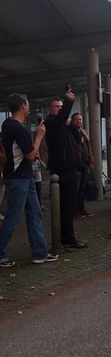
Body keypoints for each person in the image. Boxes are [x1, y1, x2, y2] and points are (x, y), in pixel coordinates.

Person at [0, 93, 58, 267]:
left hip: (25, 177)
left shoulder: (8, 124)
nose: (29, 108)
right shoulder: (16, 127)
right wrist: (40, 135)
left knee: (35, 213)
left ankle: (39, 252)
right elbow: (30, 154)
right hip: (19, 178)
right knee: (13, 217)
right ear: (23, 106)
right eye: (27, 104)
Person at [45, 88, 88, 249]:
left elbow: (77, 138)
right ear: (50, 108)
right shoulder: (50, 123)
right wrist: (69, 101)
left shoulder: (64, 126)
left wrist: (72, 125)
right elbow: (60, 118)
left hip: (71, 168)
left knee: (68, 204)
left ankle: (67, 236)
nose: (60, 109)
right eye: (57, 106)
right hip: (62, 169)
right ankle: (67, 237)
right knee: (66, 204)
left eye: (61, 106)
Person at [71, 113, 95, 218]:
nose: (79, 121)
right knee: (75, 189)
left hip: (85, 163)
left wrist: (91, 158)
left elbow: (88, 146)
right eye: (76, 119)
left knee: (82, 188)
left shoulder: (83, 132)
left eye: (80, 119)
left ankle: (81, 208)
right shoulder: (71, 132)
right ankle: (75, 210)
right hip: (76, 164)